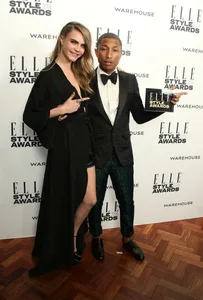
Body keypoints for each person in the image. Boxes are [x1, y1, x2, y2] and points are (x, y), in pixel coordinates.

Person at [87, 33, 187, 261]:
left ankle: (128, 238)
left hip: (123, 154)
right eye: (104, 48)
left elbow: (140, 115)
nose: (109, 54)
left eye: (115, 49)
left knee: (126, 199)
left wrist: (167, 102)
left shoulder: (130, 80)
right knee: (96, 201)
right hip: (96, 154)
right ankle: (96, 238)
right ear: (96, 51)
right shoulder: (84, 79)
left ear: (121, 53)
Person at [23, 21, 96, 277]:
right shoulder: (48, 75)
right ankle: (59, 250)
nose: (77, 49)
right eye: (74, 42)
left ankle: (73, 235)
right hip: (65, 147)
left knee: (90, 199)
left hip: (85, 144)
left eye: (83, 45)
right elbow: (30, 116)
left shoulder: (81, 72)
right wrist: (60, 110)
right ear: (63, 38)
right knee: (61, 200)